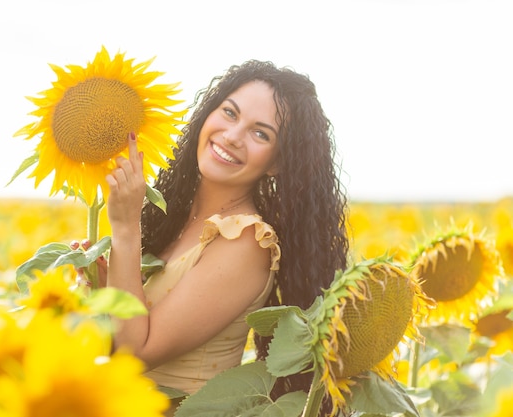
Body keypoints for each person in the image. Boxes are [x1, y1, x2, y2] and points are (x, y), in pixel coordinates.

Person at [74, 59, 349, 414]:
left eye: (260, 133)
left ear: (277, 162)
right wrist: (107, 286)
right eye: (230, 113)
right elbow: (130, 328)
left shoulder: (247, 241)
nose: (232, 136)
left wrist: (125, 229)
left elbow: (135, 353)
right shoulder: (178, 218)